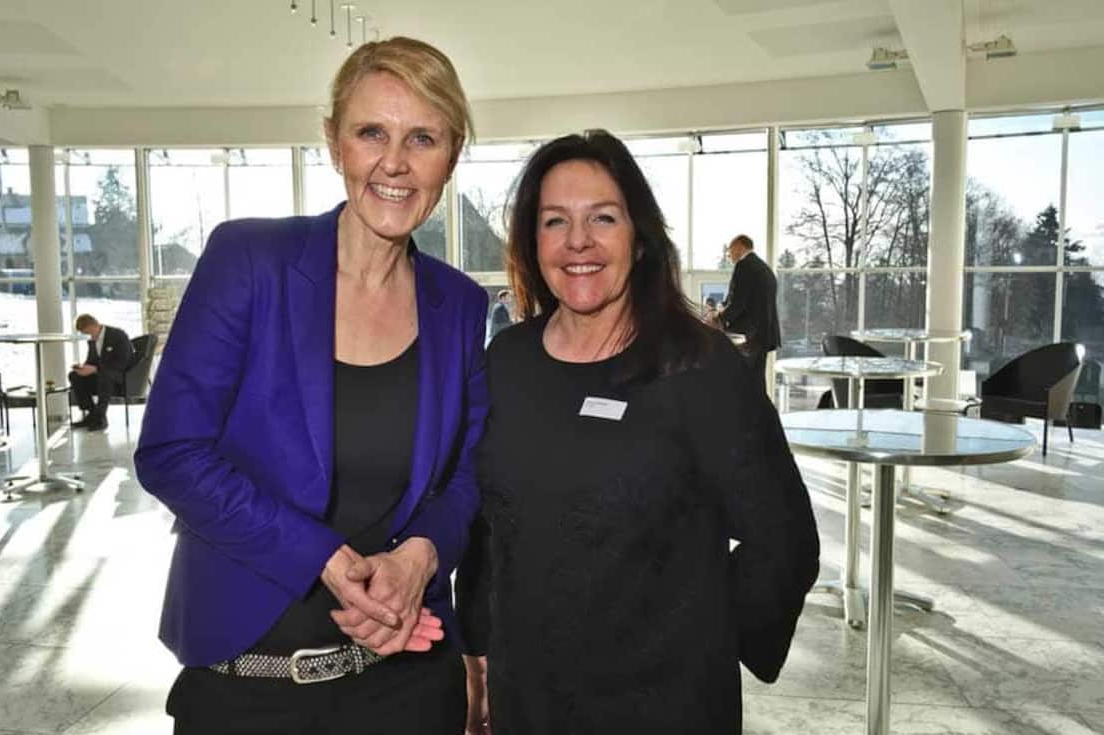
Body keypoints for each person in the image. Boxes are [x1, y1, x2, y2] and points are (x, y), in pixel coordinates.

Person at [134, 37, 487, 734]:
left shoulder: (459, 304)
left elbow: (468, 474)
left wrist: (420, 556)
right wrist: (323, 558)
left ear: (450, 156)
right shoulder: (249, 260)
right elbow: (171, 451)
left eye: (422, 137)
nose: (394, 161)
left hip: (407, 679)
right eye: (370, 133)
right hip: (250, 682)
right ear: (334, 143)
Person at [457, 130, 819, 734]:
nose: (578, 241)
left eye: (603, 217)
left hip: (662, 704)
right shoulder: (505, 362)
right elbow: (485, 527)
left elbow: (783, 541)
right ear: (531, 240)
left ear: (640, 238)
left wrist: (698, 635)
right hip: (529, 698)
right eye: (554, 221)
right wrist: (476, 645)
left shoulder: (700, 367)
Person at [718, 234, 780, 389]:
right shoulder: (764, 268)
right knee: (756, 381)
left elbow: (738, 303)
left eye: (730, 250)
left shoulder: (744, 266)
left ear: (739, 246)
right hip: (763, 335)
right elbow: (750, 299)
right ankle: (760, 412)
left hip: (748, 336)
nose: (729, 255)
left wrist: (719, 317)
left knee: (743, 382)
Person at [68, 313, 133, 432]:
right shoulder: (92, 340)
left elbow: (124, 360)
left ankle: (100, 417)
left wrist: (96, 369)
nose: (88, 336)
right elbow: (91, 361)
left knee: (105, 375)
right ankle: (92, 413)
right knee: (75, 376)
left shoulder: (118, 335)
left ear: (94, 326)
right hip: (102, 374)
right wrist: (83, 368)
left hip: (119, 375)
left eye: (87, 332)